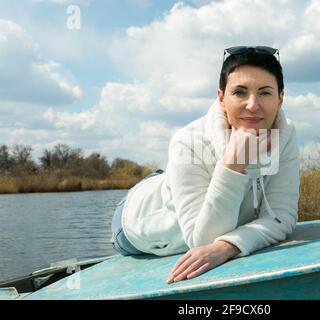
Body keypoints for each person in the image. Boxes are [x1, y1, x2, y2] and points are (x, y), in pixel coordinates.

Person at [110, 46, 300, 284]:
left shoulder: (286, 134)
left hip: (180, 181)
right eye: (240, 92)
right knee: (166, 186)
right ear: (221, 98)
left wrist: (230, 246)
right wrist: (232, 166)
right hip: (138, 217)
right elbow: (202, 243)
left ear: (281, 98)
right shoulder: (187, 141)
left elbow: (281, 217)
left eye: (264, 92)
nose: (252, 105)